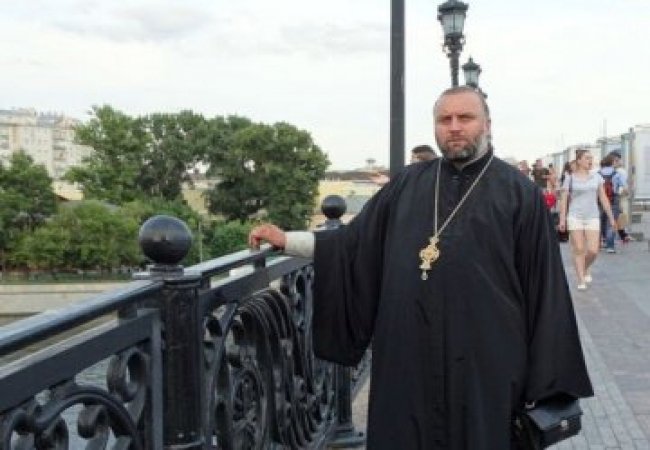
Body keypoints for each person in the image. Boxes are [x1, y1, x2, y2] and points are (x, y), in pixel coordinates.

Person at [249, 86, 593, 449]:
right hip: (409, 354)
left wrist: (545, 384)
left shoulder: (519, 193)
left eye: (465, 118)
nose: (454, 127)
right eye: (445, 119)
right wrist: (288, 241)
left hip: (487, 359)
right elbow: (353, 242)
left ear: (487, 124)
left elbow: (545, 288)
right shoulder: (407, 184)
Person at [558, 149, 617, 290]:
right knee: (578, 248)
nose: (590, 161)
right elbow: (564, 200)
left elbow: (603, 198)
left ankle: (583, 268)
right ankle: (581, 279)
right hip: (575, 216)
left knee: (593, 250)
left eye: (591, 158)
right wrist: (562, 220)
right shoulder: (570, 178)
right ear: (579, 161)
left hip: (592, 216)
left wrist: (611, 217)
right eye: (587, 158)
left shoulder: (597, 177)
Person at [598, 153, 626, 253]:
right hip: (613, 200)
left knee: (601, 221)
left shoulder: (598, 173)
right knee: (611, 222)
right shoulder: (617, 173)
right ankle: (610, 246)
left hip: (600, 201)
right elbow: (623, 188)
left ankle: (601, 242)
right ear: (612, 162)